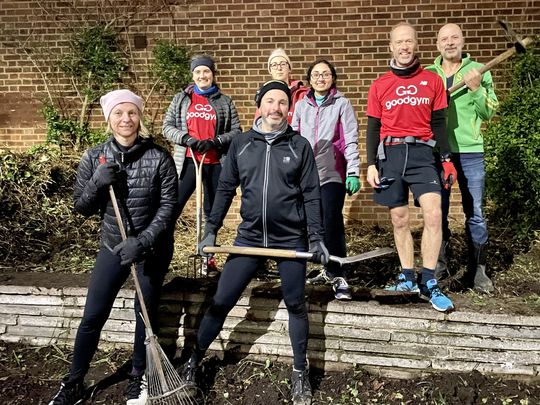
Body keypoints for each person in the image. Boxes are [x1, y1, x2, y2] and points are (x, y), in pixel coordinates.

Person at [179, 80, 328, 405]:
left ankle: (300, 372)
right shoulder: (242, 144)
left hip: (289, 238)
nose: (276, 108)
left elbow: (312, 195)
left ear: (289, 109)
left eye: (282, 103)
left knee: (296, 304)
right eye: (270, 101)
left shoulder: (299, 146)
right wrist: (212, 230)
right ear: (259, 105)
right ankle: (193, 361)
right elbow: (225, 189)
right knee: (221, 300)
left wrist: (316, 237)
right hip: (248, 238)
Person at [48, 89, 178, 405]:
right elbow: (81, 206)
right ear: (109, 119)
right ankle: (74, 383)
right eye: (118, 113)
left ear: (139, 118)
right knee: (93, 315)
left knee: (143, 316)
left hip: (150, 249)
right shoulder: (95, 158)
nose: (126, 119)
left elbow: (169, 206)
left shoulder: (158, 157)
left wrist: (144, 242)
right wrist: (97, 182)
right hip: (112, 246)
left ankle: (137, 378)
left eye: (131, 113)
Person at [365, 22, 458, 312]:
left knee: (433, 214)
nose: (404, 47)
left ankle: (429, 280)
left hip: (423, 154)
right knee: (400, 219)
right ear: (391, 47)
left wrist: (446, 158)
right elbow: (372, 127)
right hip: (391, 154)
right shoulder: (379, 85)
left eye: (409, 42)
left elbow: (440, 123)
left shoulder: (432, 80)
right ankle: (407, 277)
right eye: (399, 42)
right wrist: (370, 163)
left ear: (416, 44)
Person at [426, 23, 498, 293]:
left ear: (463, 41)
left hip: (470, 151)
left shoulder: (478, 70)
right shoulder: (428, 74)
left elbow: (490, 111)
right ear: (437, 44)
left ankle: (478, 271)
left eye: (455, 37)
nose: (450, 42)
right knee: (437, 212)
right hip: (436, 153)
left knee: (475, 213)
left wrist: (477, 89)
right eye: (444, 38)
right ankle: (439, 268)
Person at [162, 54, 241, 273]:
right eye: (198, 72)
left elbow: (236, 131)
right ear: (193, 75)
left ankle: (208, 257)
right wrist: (186, 139)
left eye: (206, 71)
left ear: (213, 75)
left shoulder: (224, 101)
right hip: (187, 161)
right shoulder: (181, 99)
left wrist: (216, 141)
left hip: (215, 162)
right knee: (172, 206)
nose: (202, 75)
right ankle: (161, 252)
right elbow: (166, 126)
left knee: (213, 211)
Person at [292, 59, 361, 301]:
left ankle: (337, 272)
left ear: (332, 78)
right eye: (316, 74)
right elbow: (293, 140)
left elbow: (349, 138)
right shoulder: (301, 106)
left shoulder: (342, 104)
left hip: (332, 171)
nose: (321, 78)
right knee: (309, 222)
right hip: (305, 174)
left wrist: (353, 171)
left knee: (331, 219)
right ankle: (320, 267)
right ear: (309, 79)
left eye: (326, 74)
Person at [254, 48, 309, 123]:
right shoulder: (264, 94)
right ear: (270, 70)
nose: (279, 68)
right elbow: (258, 121)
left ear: (289, 68)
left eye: (283, 64)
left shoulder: (302, 93)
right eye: (274, 65)